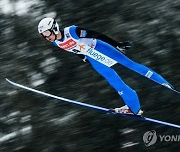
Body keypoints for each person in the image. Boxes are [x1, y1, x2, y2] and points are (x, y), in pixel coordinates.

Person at [38, 17, 173, 116]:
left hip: (100, 47)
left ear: (54, 28)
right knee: (113, 80)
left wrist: (117, 44)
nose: (47, 38)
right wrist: (85, 58)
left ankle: (162, 83)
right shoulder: (56, 43)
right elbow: (75, 50)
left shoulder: (72, 31)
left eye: (47, 34)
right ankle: (134, 108)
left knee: (130, 65)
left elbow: (97, 34)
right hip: (93, 57)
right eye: (44, 36)